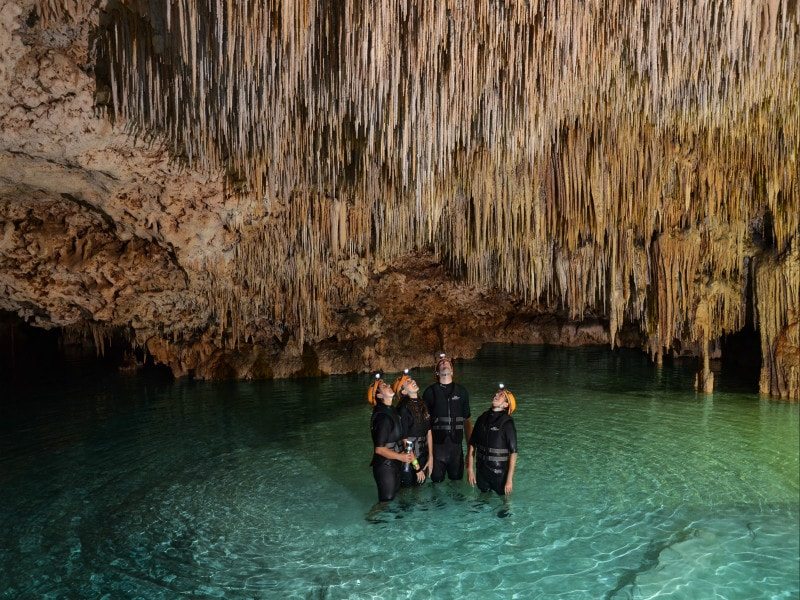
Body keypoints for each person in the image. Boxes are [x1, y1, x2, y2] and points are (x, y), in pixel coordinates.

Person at [422, 353, 472, 483]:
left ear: (452, 370)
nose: (444, 362)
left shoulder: (462, 392)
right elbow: (424, 425)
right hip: (437, 448)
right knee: (436, 486)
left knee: (457, 485)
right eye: (441, 363)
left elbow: (467, 422)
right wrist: (429, 454)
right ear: (437, 372)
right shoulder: (429, 392)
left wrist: (470, 451)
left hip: (456, 448)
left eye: (447, 362)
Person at [367, 373, 416, 502]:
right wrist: (401, 457)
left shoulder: (392, 410)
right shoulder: (382, 416)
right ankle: (373, 520)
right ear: (379, 395)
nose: (388, 385)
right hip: (385, 466)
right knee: (386, 502)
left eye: (387, 384)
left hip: (393, 464)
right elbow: (379, 449)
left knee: (395, 498)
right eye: (384, 386)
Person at [466, 383, 518, 496]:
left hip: (499, 474)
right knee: (482, 502)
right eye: (496, 393)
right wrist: (470, 469)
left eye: (501, 395)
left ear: (505, 405)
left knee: (504, 507)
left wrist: (509, 480)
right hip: (481, 472)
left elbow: (513, 453)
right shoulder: (482, 418)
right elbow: (472, 445)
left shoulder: (507, 423)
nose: (496, 395)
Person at [392, 369, 433, 486]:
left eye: (411, 379)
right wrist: (417, 467)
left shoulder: (422, 404)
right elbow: (406, 441)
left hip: (423, 456)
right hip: (409, 460)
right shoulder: (403, 409)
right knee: (407, 491)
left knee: (419, 489)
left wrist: (431, 457)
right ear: (403, 391)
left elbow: (429, 432)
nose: (413, 381)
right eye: (408, 381)